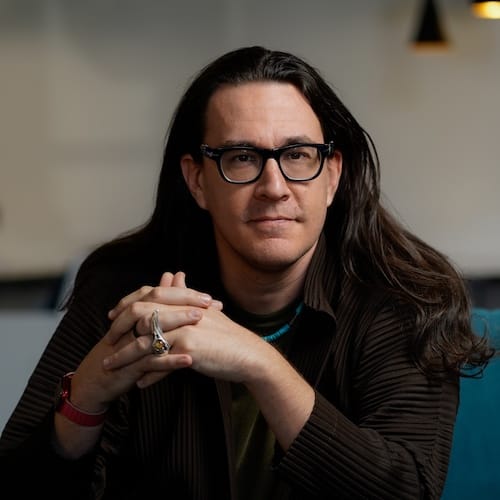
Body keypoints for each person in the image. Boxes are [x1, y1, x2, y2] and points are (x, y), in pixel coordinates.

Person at [0, 46, 493, 499]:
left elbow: (406, 491)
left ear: (332, 176)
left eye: (297, 155)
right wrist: (86, 395)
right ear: (197, 180)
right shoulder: (122, 288)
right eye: (242, 158)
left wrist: (260, 364)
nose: (274, 186)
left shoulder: (404, 299)